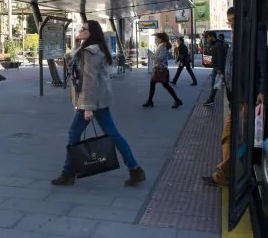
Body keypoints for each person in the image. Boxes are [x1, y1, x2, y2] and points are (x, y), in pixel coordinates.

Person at [51, 20, 146, 187]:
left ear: (91, 33)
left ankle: (68, 174)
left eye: (84, 29)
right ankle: (135, 169)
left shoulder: (91, 51)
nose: (80, 30)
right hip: (98, 100)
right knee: (113, 134)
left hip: (91, 101)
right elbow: (72, 65)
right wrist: (76, 46)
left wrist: (88, 107)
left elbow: (89, 79)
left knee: (73, 134)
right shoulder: (89, 48)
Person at [203, 7, 266, 187]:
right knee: (228, 137)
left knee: (234, 138)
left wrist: (261, 90)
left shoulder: (253, 34)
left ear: (245, 18)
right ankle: (226, 174)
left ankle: (227, 176)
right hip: (236, 97)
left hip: (245, 97)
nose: (231, 24)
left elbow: (262, 63)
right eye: (229, 21)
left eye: (234, 20)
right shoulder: (237, 37)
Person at [142, 33, 183, 109]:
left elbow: (161, 58)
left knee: (165, 85)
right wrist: (153, 55)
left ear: (161, 39)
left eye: (157, 38)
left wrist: (151, 55)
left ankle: (177, 100)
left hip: (161, 69)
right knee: (153, 84)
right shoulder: (162, 46)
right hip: (159, 68)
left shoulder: (163, 46)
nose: (156, 40)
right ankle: (150, 100)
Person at [203, 31, 225, 106]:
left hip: (217, 68)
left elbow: (220, 58)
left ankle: (211, 99)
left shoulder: (218, 45)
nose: (207, 39)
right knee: (214, 84)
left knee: (215, 84)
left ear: (212, 36)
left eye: (208, 37)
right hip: (216, 67)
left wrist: (219, 69)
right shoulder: (215, 44)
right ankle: (211, 99)